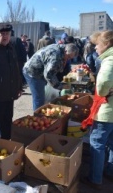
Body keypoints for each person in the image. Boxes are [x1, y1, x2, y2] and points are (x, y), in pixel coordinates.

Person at [81, 30, 113, 190]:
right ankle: (110, 171)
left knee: (97, 143)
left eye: (97, 45)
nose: (95, 48)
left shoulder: (109, 61)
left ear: (106, 44)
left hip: (108, 110)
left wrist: (104, 92)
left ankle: (95, 179)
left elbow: (102, 85)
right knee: (112, 142)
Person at [22, 43, 79, 110]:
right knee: (39, 98)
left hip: (40, 71)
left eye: (70, 58)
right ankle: (38, 117)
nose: (68, 59)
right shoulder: (55, 56)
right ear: (66, 51)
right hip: (32, 72)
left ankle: (42, 113)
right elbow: (48, 75)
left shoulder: (62, 49)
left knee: (43, 95)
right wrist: (60, 86)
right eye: (69, 57)